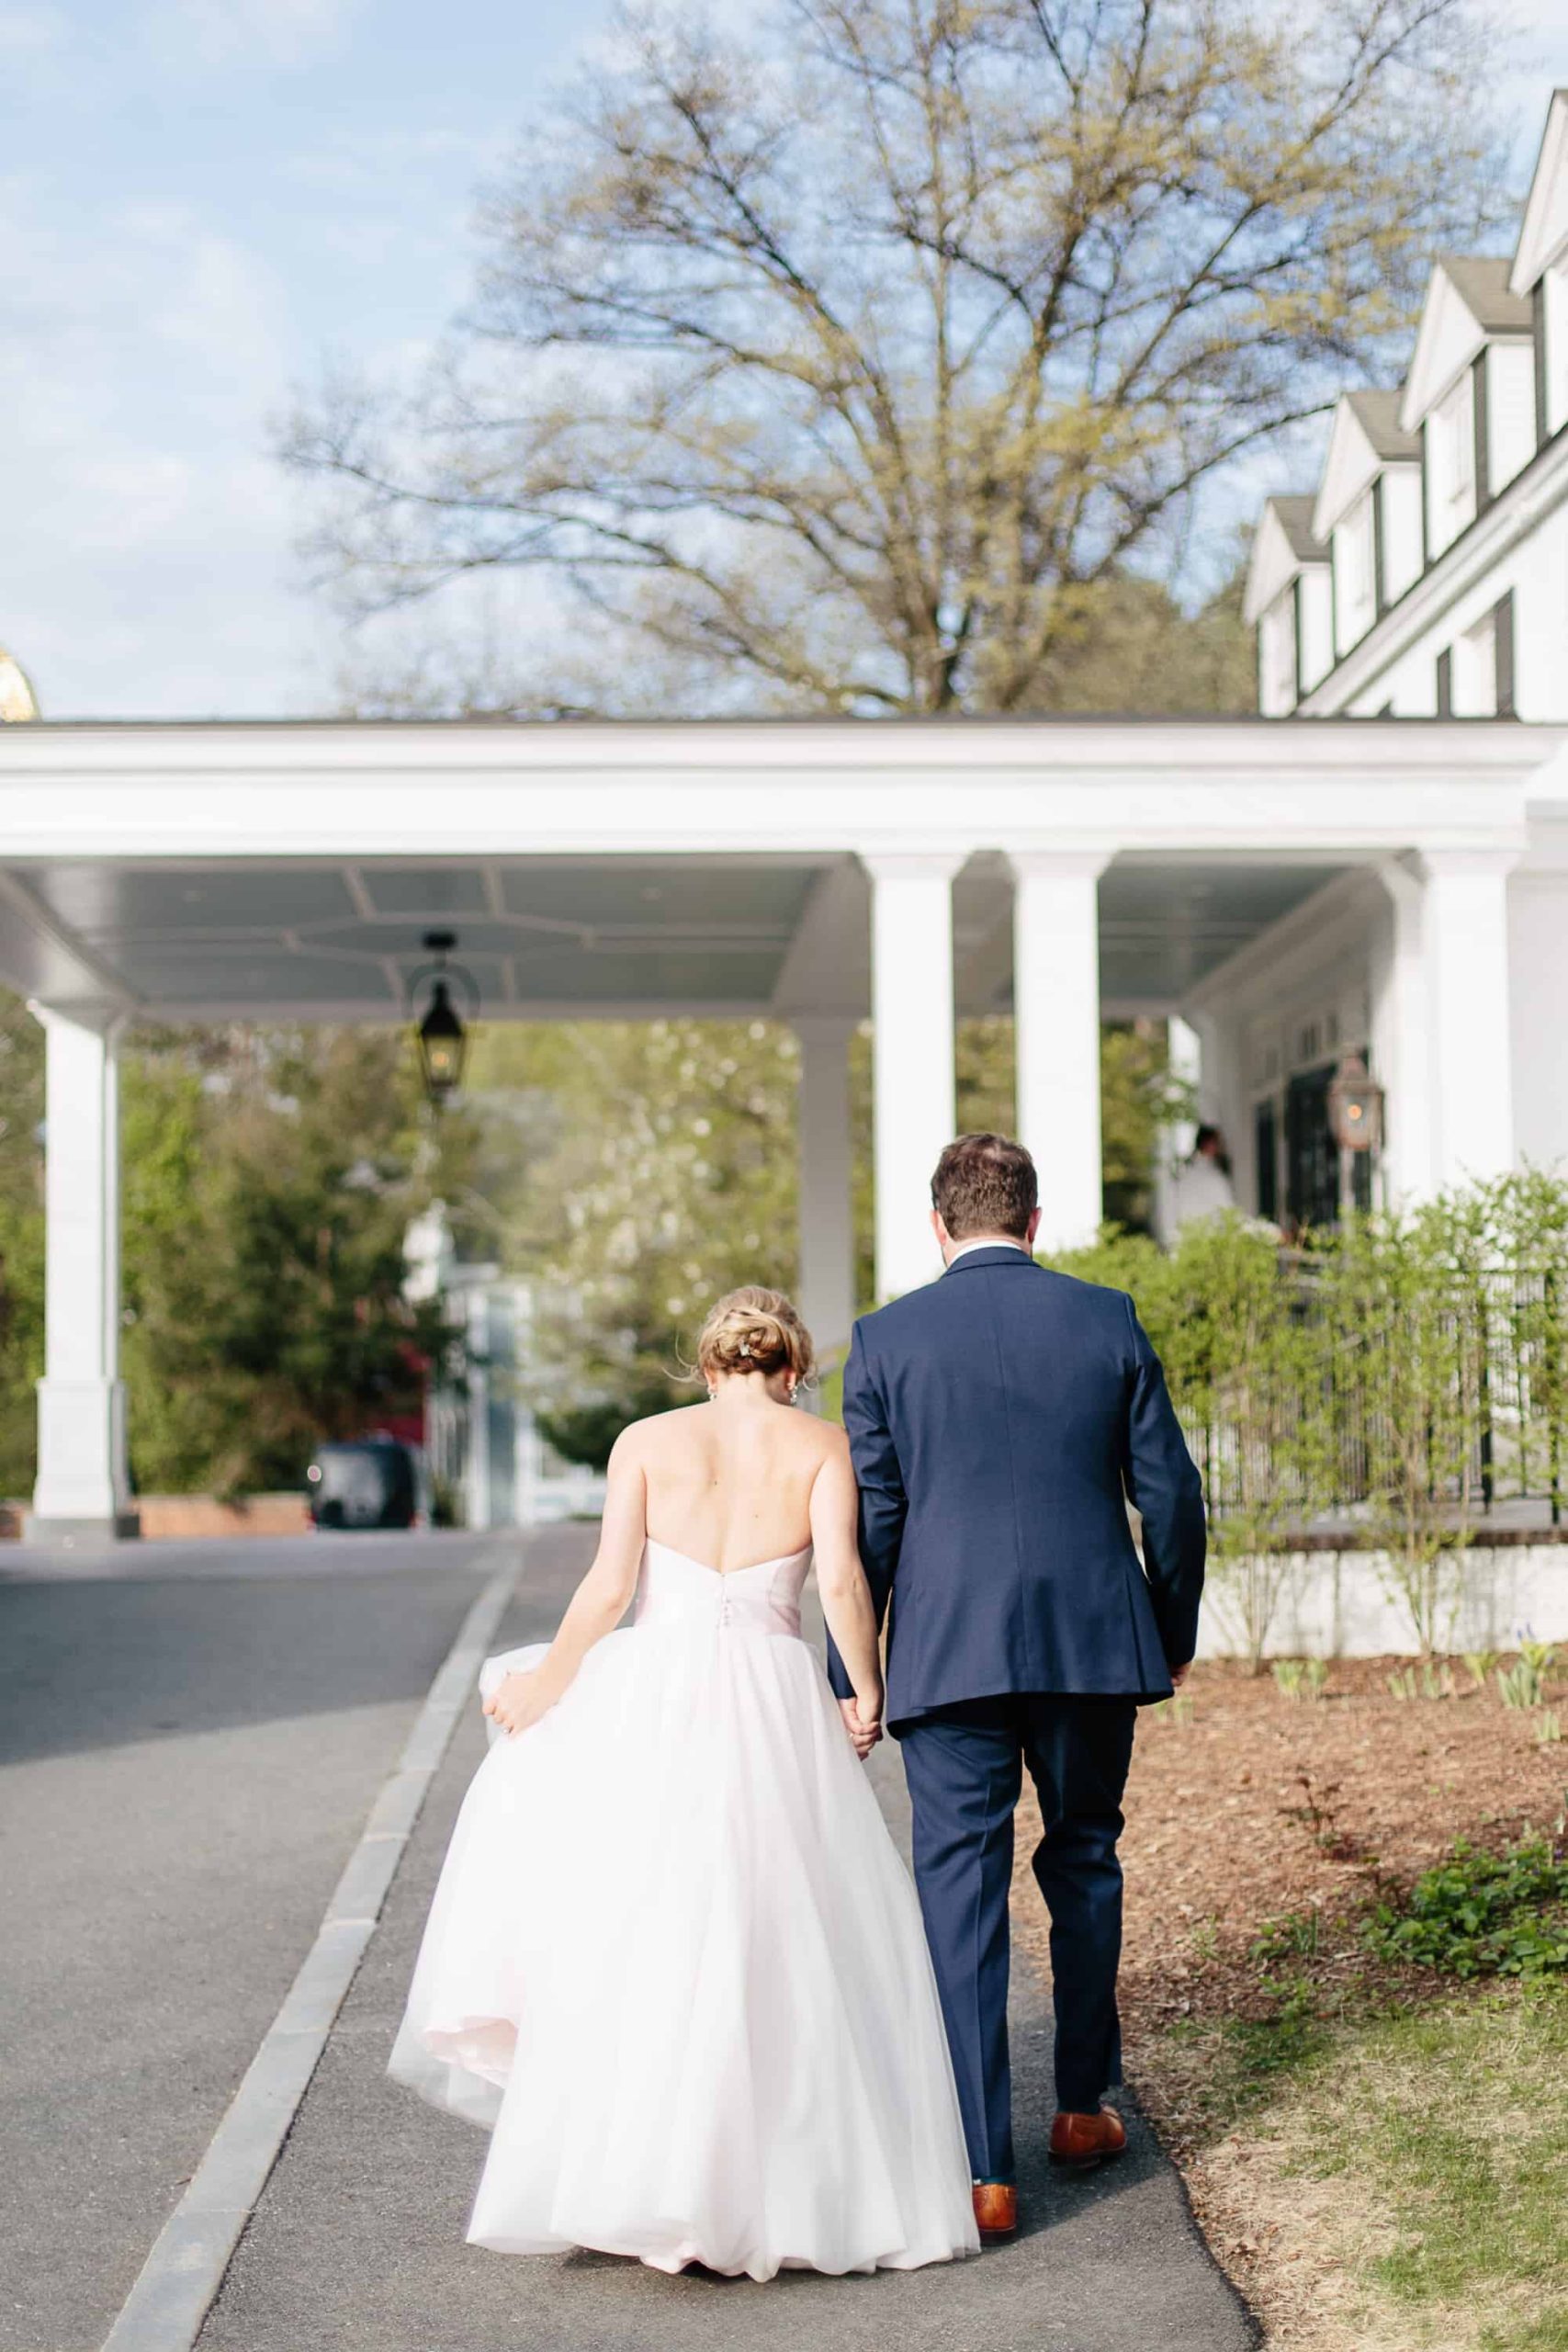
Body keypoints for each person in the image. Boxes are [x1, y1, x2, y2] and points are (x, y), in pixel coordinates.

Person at [388, 1287, 978, 2281]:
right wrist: (865, 1690)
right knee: (779, 1924)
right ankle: (781, 2182)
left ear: (708, 1366)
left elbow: (610, 1587)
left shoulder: (646, 1440)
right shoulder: (819, 1445)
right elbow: (840, 1579)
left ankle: (634, 2178)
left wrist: (548, 1680)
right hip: (771, 1694)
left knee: (644, 1921)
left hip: (656, 1698)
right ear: (790, 1369)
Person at [829, 1134, 1206, 2239]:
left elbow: (874, 1525)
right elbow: (1171, 1498)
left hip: (948, 1655)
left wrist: (858, 1668)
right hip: (1092, 1644)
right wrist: (1169, 1626)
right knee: (1085, 1858)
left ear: (937, 1228)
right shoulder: (1108, 1319)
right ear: (1034, 1223)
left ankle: (982, 2167)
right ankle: (1083, 2108)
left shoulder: (884, 1342)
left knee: (959, 1890)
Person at [1156, 1123, 1236, 1245]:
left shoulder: (1183, 1174)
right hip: (1211, 1242)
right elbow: (1228, 1212)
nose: (1221, 1147)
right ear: (1209, 1145)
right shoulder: (1214, 1177)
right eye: (1218, 1143)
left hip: (1185, 1241)